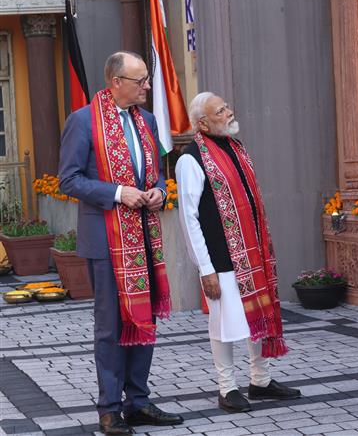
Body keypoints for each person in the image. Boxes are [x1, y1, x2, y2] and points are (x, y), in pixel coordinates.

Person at [59, 51, 183, 435]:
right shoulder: (83, 122)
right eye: (140, 80)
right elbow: (69, 179)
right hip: (106, 243)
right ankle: (110, 408)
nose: (147, 86)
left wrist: (160, 192)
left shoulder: (146, 120)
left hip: (143, 238)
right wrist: (117, 193)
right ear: (116, 83)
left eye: (146, 79)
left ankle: (139, 401)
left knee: (143, 320)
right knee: (111, 327)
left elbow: (157, 176)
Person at [175, 92, 299, 413]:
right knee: (224, 322)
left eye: (227, 106)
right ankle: (226, 387)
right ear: (203, 123)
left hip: (252, 254)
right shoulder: (191, 158)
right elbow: (189, 217)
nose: (229, 112)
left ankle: (260, 379)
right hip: (221, 257)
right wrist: (205, 268)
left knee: (256, 316)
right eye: (220, 111)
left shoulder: (236, 148)